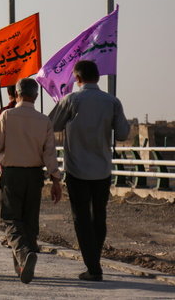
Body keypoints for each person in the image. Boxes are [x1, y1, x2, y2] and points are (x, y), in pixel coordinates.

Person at [49, 60, 130, 282]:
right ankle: (95, 263)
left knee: (82, 218)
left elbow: (51, 125)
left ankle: (93, 268)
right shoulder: (112, 101)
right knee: (99, 216)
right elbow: (122, 133)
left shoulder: (72, 100)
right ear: (99, 77)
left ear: (77, 79)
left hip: (76, 170)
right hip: (102, 169)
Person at [0, 78, 62, 284]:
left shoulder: (7, 116)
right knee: (29, 222)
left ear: (17, 94)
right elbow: (50, 154)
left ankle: (23, 255)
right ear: (36, 96)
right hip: (34, 175)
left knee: (11, 220)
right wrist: (56, 180)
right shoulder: (44, 121)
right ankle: (22, 267)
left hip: (12, 174)